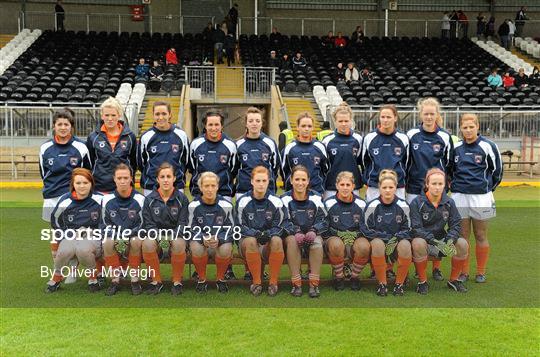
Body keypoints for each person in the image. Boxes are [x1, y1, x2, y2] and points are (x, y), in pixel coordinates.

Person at [40, 108, 91, 284]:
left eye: (66, 124)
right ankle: (57, 272)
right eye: (59, 124)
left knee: (74, 234)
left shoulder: (81, 147)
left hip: (73, 198)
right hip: (52, 197)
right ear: (54, 126)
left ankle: (72, 272)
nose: (63, 127)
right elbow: (43, 172)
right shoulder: (45, 148)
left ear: (72, 127)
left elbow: (86, 173)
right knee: (55, 235)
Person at [451, 113, 503, 283]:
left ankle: (480, 272)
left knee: (480, 235)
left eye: (471, 127)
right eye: (464, 127)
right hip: (459, 196)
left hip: (481, 197)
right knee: (462, 236)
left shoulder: (489, 146)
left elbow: (497, 172)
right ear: (461, 128)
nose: (468, 130)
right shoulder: (456, 147)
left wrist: (487, 188)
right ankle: (464, 272)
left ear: (477, 127)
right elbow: (449, 169)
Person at [406, 98, 453, 280]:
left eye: (432, 113)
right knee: (415, 228)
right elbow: (407, 160)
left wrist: (442, 186)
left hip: (437, 191)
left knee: (437, 227)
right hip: (414, 188)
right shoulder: (411, 135)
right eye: (425, 113)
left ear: (437, 115)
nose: (428, 116)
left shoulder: (444, 137)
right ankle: (419, 268)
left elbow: (449, 165)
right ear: (421, 114)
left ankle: (436, 267)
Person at [410, 168, 469, 294]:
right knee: (417, 243)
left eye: (440, 184)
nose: (437, 187)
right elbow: (416, 228)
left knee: (463, 244)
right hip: (425, 241)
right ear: (427, 184)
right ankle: (422, 282)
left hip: (442, 241)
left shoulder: (449, 202)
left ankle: (453, 280)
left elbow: (456, 224)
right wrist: (433, 240)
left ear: (445, 185)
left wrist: (450, 239)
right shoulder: (417, 202)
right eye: (434, 184)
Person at [46, 168, 103, 293]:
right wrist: (68, 234)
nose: (82, 186)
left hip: (93, 237)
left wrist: (95, 232)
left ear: (91, 184)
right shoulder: (65, 200)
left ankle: (93, 278)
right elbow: (55, 220)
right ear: (73, 185)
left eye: (85, 183)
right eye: (78, 183)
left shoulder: (100, 200)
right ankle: (57, 277)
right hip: (71, 236)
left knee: (83, 249)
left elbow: (107, 220)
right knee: (64, 251)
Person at [235, 166, 287, 296]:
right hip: (248, 244)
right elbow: (239, 226)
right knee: (251, 241)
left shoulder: (276, 201)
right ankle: (257, 282)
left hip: (268, 243)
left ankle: (273, 283)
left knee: (277, 240)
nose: (261, 184)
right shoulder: (243, 201)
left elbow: (282, 224)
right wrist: (256, 234)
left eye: (264, 181)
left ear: (269, 181)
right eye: (258, 181)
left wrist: (268, 234)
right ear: (252, 181)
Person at [140, 162, 190, 295]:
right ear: (157, 179)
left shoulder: (182, 199)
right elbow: (148, 224)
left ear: (174, 178)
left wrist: (171, 237)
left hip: (175, 236)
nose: (166, 180)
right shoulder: (149, 199)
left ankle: (177, 281)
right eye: (162, 177)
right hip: (156, 236)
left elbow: (183, 223)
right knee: (147, 243)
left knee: (179, 243)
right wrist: (160, 237)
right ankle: (156, 281)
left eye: (169, 176)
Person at [281, 165, 327, 298]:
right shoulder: (284, 199)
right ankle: (297, 284)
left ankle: (314, 284)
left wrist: (314, 230)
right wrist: (296, 231)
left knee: (317, 243)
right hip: (293, 236)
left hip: (312, 234)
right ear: (291, 180)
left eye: (303, 179)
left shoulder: (316, 198)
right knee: (292, 241)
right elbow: (282, 221)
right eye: (297, 179)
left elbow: (324, 219)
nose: (300, 183)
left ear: (308, 181)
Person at [364, 169, 412, 296]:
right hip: (379, 240)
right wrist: (385, 238)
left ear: (395, 187)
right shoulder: (372, 205)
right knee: (378, 244)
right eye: (384, 187)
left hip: (397, 240)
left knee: (406, 245)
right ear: (379, 187)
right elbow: (366, 229)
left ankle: (399, 284)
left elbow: (410, 228)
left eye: (391, 187)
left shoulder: (403, 205)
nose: (387, 190)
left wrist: (396, 238)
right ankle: (382, 284)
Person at [101, 164, 145, 296]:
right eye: (119, 178)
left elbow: (144, 224)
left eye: (126, 178)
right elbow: (103, 223)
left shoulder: (140, 199)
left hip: (133, 235)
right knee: (107, 241)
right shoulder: (107, 199)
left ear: (131, 178)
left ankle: (135, 279)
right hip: (114, 236)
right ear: (114, 179)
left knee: (136, 241)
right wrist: (116, 235)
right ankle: (115, 279)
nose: (122, 181)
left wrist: (128, 234)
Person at [188, 172, 236, 293]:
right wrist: (202, 238)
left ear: (217, 187)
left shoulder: (226, 205)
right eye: (206, 186)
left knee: (226, 247)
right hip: (202, 243)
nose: (210, 189)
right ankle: (202, 280)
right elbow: (189, 228)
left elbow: (232, 229)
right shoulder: (193, 205)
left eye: (213, 186)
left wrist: (219, 238)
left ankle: (220, 279)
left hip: (218, 244)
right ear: (200, 187)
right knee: (195, 246)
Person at [324, 171, 369, 290]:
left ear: (353, 186)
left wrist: (353, 235)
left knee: (364, 246)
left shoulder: (361, 203)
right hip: (335, 237)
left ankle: (354, 277)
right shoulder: (328, 203)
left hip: (355, 237)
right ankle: (339, 278)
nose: (345, 188)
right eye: (342, 184)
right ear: (337, 185)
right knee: (336, 244)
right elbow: (325, 226)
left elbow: (365, 227)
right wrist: (341, 235)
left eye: (348, 185)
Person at [138, 101, 189, 196]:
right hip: (151, 187)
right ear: (153, 115)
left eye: (164, 114)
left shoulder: (181, 135)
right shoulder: (146, 137)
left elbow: (185, 162)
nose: (160, 117)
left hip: (176, 187)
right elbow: (142, 164)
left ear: (170, 114)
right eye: (157, 114)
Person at [86, 97, 137, 193]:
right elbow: (89, 163)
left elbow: (134, 163)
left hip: (124, 189)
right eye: (107, 115)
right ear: (102, 116)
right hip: (100, 188)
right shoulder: (93, 137)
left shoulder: (130, 136)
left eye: (113, 115)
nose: (110, 119)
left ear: (119, 115)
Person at [361, 104, 409, 202]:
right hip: (375, 185)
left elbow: (407, 161)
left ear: (395, 118)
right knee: (372, 214)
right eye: (383, 117)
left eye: (388, 117)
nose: (385, 120)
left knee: (399, 215)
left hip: (397, 186)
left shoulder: (403, 138)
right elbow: (364, 162)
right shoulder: (369, 138)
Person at [189, 110, 237, 201]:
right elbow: (192, 168)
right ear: (205, 126)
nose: (213, 128)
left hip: (224, 193)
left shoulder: (230, 145)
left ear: (222, 126)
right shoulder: (195, 144)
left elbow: (233, 170)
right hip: (200, 193)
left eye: (216, 124)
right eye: (210, 125)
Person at [235, 107, 280, 199]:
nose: (254, 124)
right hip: (244, 191)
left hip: (267, 191)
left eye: (257, 121)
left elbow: (275, 167)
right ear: (246, 123)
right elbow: (234, 169)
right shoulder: (238, 144)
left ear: (262, 123)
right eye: (251, 121)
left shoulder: (270, 143)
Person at [322, 102, 363, 199]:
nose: (343, 124)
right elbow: (323, 167)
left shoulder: (358, 139)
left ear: (351, 121)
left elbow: (362, 163)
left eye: (346, 121)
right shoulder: (326, 141)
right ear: (335, 121)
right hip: (331, 187)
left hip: (353, 186)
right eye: (340, 121)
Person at [281, 112, 329, 195]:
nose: (306, 129)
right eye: (303, 126)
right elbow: (284, 172)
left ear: (313, 127)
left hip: (317, 192)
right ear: (297, 127)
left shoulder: (320, 146)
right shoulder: (289, 148)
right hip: (294, 194)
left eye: (309, 126)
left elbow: (326, 169)